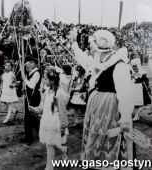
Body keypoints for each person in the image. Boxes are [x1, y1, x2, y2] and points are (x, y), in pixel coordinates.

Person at [70, 29, 134, 169]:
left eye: (93, 42)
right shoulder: (100, 61)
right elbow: (85, 62)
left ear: (101, 45)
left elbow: (125, 95)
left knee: (108, 139)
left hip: (110, 109)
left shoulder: (119, 65)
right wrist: (74, 44)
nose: (90, 45)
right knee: (96, 138)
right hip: (98, 108)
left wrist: (124, 117)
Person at [29, 66, 69, 170]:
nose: (43, 80)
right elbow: (42, 108)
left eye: (45, 78)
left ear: (52, 80)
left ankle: (61, 153)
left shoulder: (59, 93)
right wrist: (34, 109)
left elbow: (62, 112)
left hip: (56, 122)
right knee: (49, 143)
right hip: (46, 121)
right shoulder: (46, 91)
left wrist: (63, 126)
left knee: (53, 143)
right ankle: (50, 165)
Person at [21, 55, 41, 143]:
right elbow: (28, 85)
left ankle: (30, 136)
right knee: (30, 117)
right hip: (29, 97)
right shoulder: (30, 72)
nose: (27, 66)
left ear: (33, 63)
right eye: (26, 65)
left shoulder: (36, 73)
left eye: (29, 64)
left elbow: (32, 85)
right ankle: (35, 134)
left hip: (34, 97)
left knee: (30, 117)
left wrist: (24, 79)